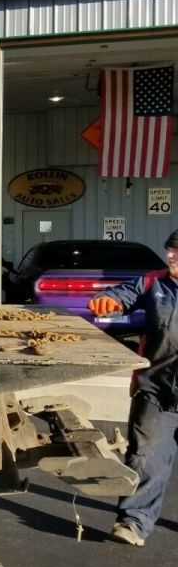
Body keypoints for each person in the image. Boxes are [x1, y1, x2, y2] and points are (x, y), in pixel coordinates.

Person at [88, 228, 178, 547]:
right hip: (156, 390)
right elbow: (122, 294)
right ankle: (134, 522)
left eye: (177, 252)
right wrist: (107, 300)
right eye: (170, 250)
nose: (171, 256)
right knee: (146, 458)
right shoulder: (154, 283)